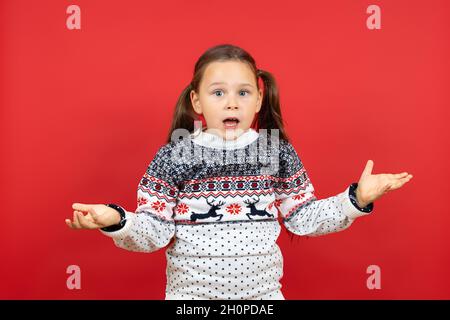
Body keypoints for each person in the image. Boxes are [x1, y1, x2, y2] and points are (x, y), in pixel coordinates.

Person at [65, 44, 413, 300]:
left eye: (243, 93)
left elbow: (303, 217)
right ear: (196, 101)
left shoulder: (275, 150)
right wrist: (115, 218)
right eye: (218, 93)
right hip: (191, 302)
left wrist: (356, 199)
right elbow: (153, 231)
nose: (232, 102)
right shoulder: (177, 152)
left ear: (259, 100)